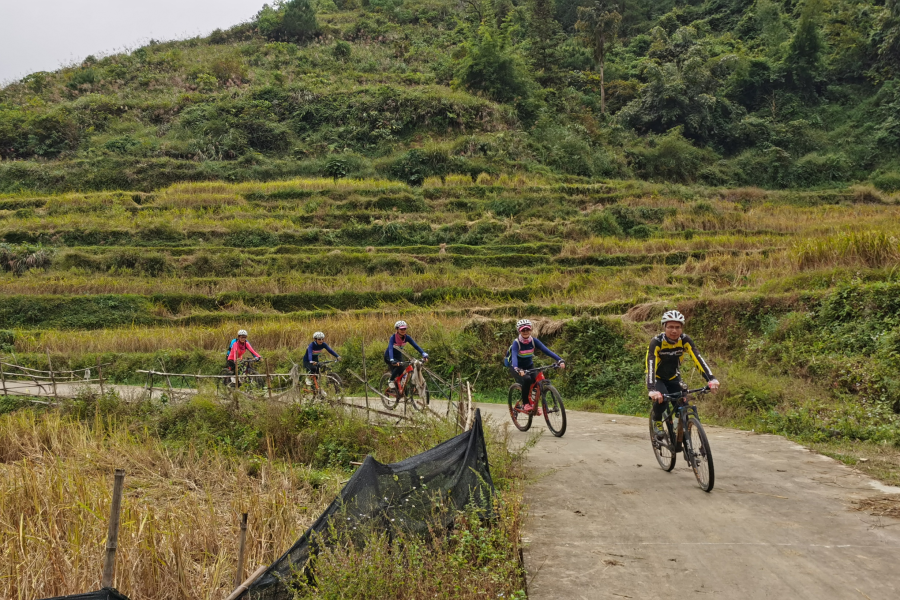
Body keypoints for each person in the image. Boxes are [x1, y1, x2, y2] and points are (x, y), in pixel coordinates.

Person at [646, 310, 719, 443]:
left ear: (682, 328)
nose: (674, 330)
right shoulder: (656, 342)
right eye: (670, 327)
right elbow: (651, 365)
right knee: (661, 400)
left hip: (674, 377)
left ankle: (677, 424)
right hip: (658, 378)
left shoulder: (685, 340)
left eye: (677, 327)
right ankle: (657, 421)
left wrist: (711, 379)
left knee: (682, 403)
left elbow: (698, 359)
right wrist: (652, 389)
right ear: (664, 327)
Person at [507, 319, 565, 412]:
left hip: (529, 365)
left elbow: (546, 350)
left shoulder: (534, 341)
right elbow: (514, 357)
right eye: (523, 330)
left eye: (528, 330)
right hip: (516, 367)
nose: (526, 332)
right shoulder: (516, 343)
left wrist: (559, 359)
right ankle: (526, 404)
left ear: (531, 330)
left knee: (536, 381)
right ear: (519, 331)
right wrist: (517, 369)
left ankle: (533, 403)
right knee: (527, 379)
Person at [383, 320, 428, 392]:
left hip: (398, 355)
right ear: (397, 329)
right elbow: (390, 348)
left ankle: (403, 392)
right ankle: (390, 380)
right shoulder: (393, 337)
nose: (403, 330)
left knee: (403, 373)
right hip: (389, 356)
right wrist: (392, 360)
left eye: (404, 329)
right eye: (401, 329)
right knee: (399, 366)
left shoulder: (407, 337)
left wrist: (423, 353)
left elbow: (415, 346)